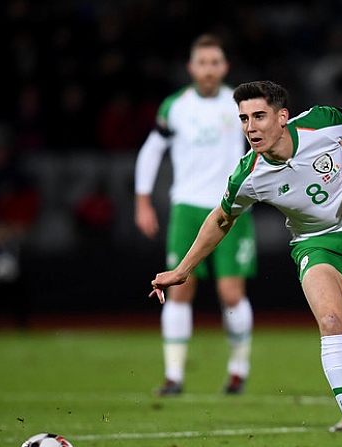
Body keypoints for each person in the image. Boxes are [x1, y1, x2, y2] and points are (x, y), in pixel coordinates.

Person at [150, 80, 342, 447]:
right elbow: (221, 219)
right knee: (332, 322)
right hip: (316, 246)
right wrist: (183, 270)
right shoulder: (249, 174)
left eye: (259, 116)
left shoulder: (318, 123)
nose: (250, 127)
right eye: (243, 119)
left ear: (282, 117)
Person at [134, 34, 258, 396]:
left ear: (225, 67)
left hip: (230, 206)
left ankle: (238, 370)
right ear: (191, 68)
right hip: (187, 207)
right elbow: (151, 151)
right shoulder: (176, 106)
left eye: (214, 62)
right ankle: (173, 375)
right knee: (179, 290)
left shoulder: (241, 104)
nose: (208, 69)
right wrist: (142, 201)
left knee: (231, 292)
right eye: (202, 63)